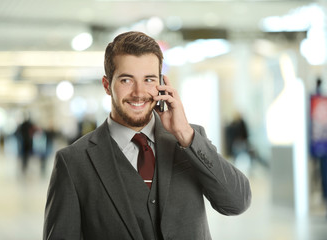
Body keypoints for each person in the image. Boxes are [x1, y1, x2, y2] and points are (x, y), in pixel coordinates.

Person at [43, 31, 251, 240]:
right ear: (107, 85)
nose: (139, 92)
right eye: (126, 80)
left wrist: (184, 134)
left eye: (149, 79)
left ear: (162, 84)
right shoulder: (73, 162)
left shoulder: (190, 139)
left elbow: (237, 202)